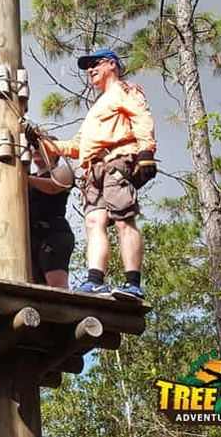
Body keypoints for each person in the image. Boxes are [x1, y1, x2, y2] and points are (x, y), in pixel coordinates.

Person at [42, 49, 157, 300]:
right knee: (94, 222)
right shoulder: (97, 108)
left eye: (95, 64)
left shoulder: (126, 91)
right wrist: (41, 141)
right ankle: (95, 280)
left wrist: (146, 152)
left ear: (112, 64)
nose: (90, 70)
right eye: (87, 66)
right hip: (94, 170)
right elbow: (75, 146)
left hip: (117, 161)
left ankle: (133, 283)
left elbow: (141, 118)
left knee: (123, 219)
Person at [27, 147, 75, 288]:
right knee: (37, 285)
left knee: (56, 286)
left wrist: (24, 178)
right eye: (34, 148)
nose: (36, 150)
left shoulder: (62, 171)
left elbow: (55, 186)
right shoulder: (29, 177)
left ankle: (62, 308)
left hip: (53, 234)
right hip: (32, 238)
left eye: (41, 148)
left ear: (54, 154)